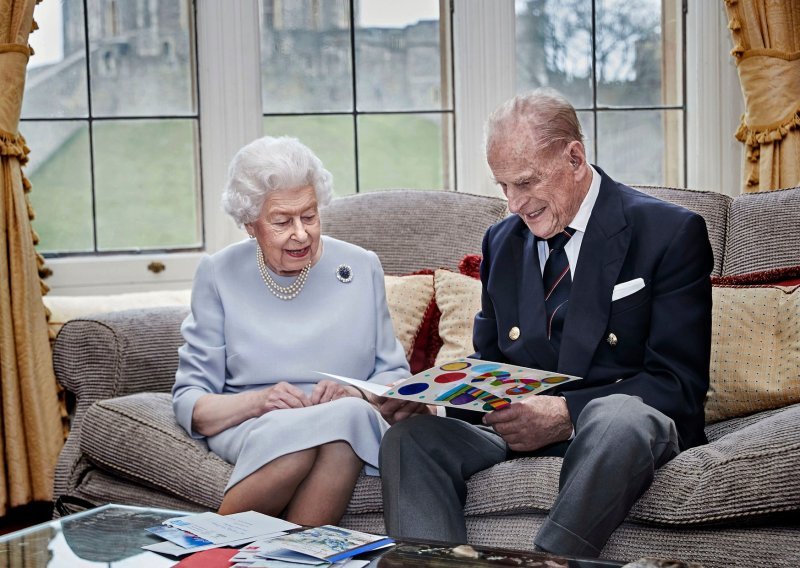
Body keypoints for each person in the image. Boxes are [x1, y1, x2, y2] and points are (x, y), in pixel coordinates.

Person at [378, 88, 713, 557]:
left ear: (574, 158)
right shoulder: (502, 241)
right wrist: (434, 402)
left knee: (619, 417)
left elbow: (678, 385)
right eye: (503, 187)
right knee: (410, 439)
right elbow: (491, 363)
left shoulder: (669, 233)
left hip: (612, 436)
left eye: (526, 182)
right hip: (516, 433)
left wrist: (565, 415)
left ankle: (545, 563)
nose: (514, 204)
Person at [172, 135, 409, 525]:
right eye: (282, 221)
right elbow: (191, 401)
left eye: (310, 216)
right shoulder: (219, 273)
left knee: (344, 422)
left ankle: (206, 552)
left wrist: (354, 391)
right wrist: (259, 402)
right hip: (253, 421)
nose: (301, 233)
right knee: (311, 441)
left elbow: (394, 376)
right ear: (250, 224)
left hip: (345, 416)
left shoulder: (361, 266)